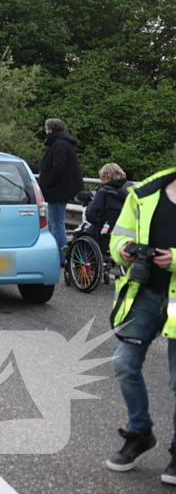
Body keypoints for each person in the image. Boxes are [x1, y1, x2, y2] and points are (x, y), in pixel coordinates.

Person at [105, 143, 176, 483]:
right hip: (146, 290)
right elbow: (119, 234)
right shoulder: (147, 192)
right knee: (123, 363)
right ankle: (140, 432)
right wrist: (124, 250)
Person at [39, 119, 84, 268]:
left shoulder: (59, 144)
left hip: (58, 189)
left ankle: (61, 256)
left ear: (51, 130)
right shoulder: (64, 143)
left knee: (56, 223)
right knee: (56, 223)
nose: (45, 131)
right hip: (61, 188)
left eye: (46, 128)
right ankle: (58, 254)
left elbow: (58, 167)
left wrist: (46, 183)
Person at [85, 163, 134, 234]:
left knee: (80, 235)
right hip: (128, 231)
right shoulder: (131, 190)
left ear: (106, 177)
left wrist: (91, 203)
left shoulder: (103, 193)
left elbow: (91, 217)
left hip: (106, 232)